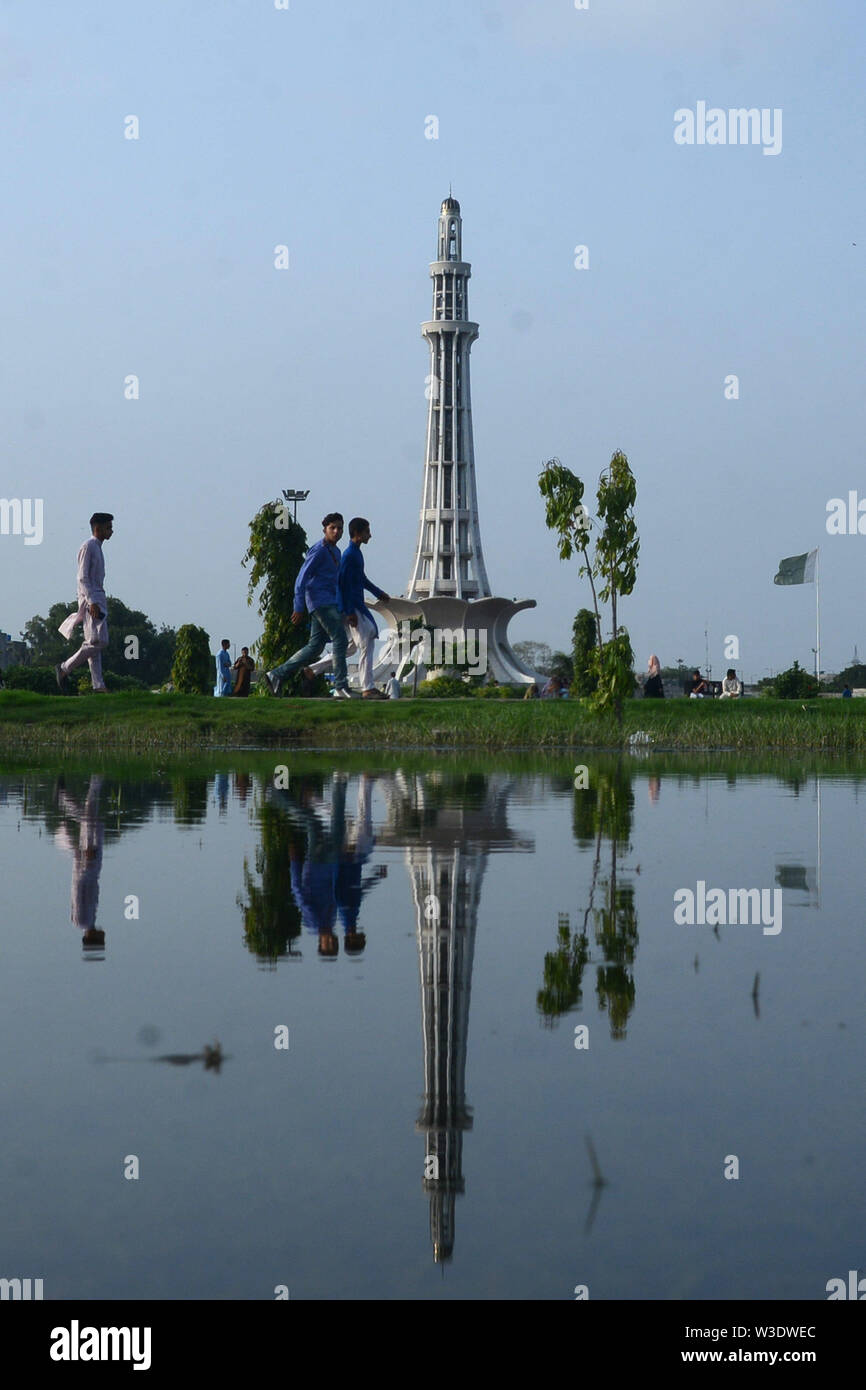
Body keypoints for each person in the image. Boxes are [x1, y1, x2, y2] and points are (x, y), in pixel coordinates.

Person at [264, 513, 351, 698]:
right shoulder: (318, 550)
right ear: (325, 530)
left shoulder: (336, 552)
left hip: (330, 601)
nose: (337, 531)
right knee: (340, 639)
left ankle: (276, 674)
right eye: (332, 528)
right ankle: (341, 686)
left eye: (340, 528)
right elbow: (301, 578)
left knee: (315, 646)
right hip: (320, 602)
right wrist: (298, 606)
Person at [307, 517, 391, 700]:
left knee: (350, 648)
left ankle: (313, 669)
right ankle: (367, 687)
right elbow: (342, 583)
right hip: (353, 606)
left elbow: (361, 579)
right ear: (359, 534)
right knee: (368, 636)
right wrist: (349, 611)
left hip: (354, 605)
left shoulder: (355, 554)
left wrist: (378, 593)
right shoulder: (349, 555)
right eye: (367, 531)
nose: (370, 535)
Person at [56, 513, 113, 693]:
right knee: (100, 641)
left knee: (94, 643)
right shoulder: (88, 546)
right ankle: (65, 667)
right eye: (108, 527)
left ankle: (98, 685)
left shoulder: (97, 548)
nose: (111, 531)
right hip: (91, 599)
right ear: (98, 528)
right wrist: (91, 602)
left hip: (97, 597)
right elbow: (82, 577)